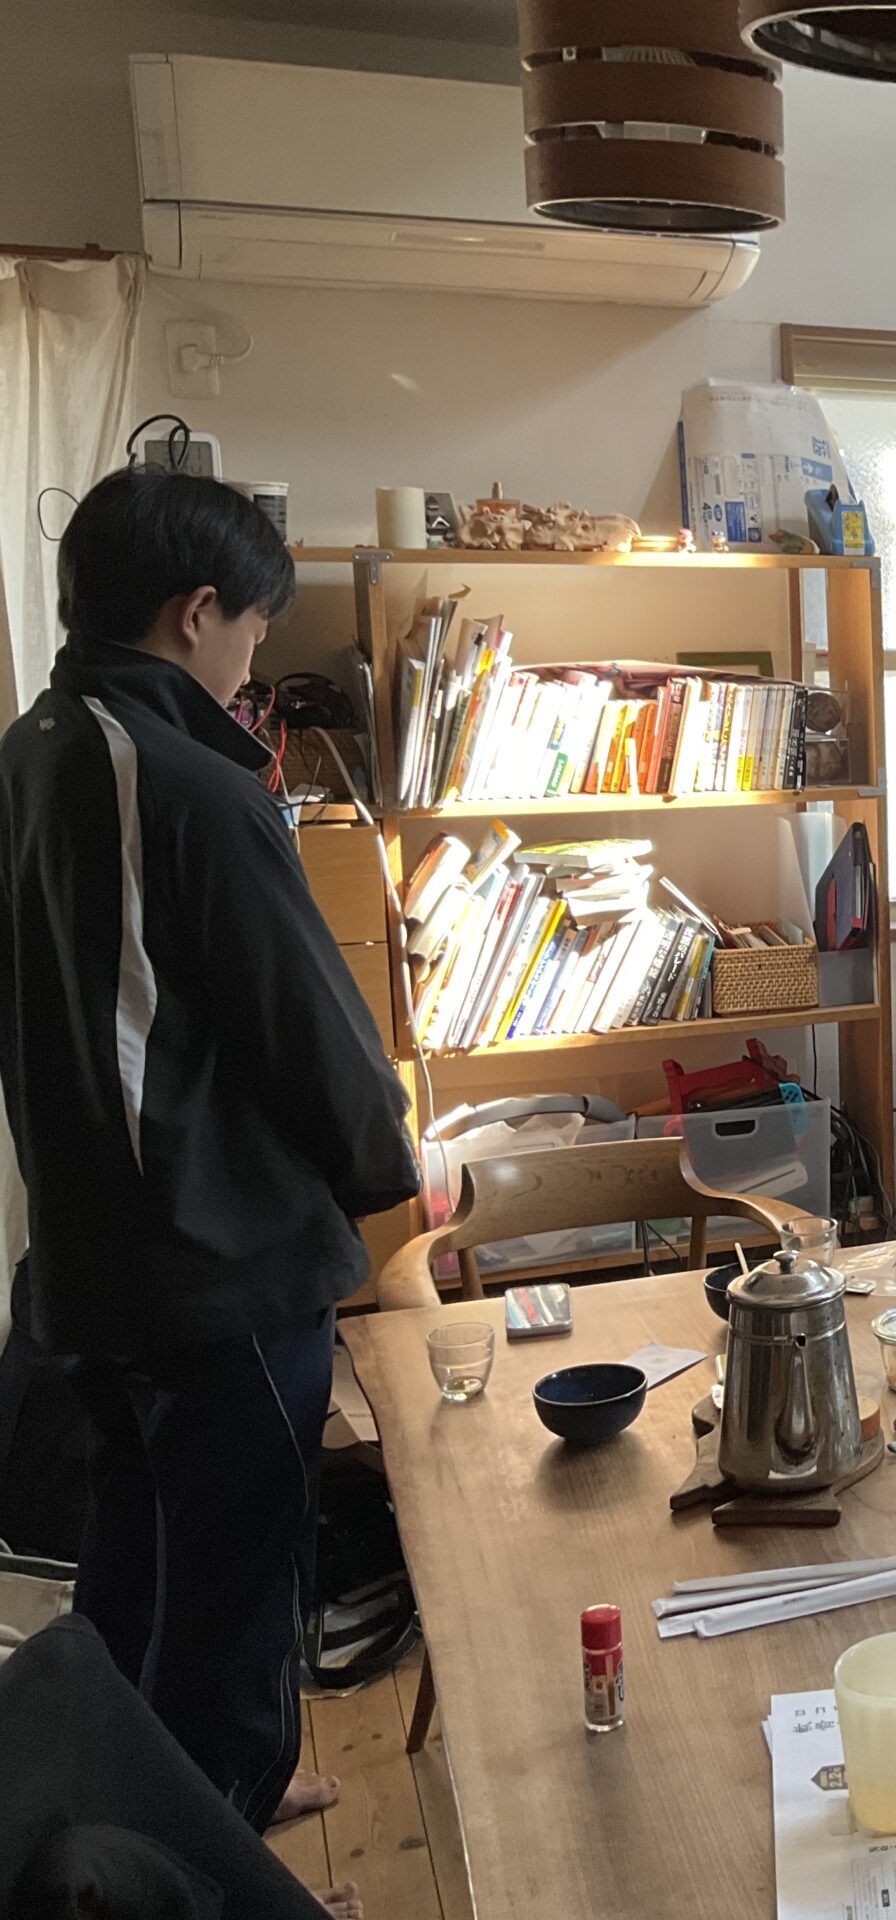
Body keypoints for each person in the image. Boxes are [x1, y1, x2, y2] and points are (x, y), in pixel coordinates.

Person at [0, 468, 416, 1912]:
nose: (252, 661)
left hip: (89, 1263)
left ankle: (134, 1814)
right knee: (234, 1588)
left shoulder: (33, 749)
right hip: (214, 1263)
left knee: (137, 1556)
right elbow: (310, 1032)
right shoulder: (193, 786)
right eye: (249, 628)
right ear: (195, 613)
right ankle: (217, 1862)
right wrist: (394, 1172)